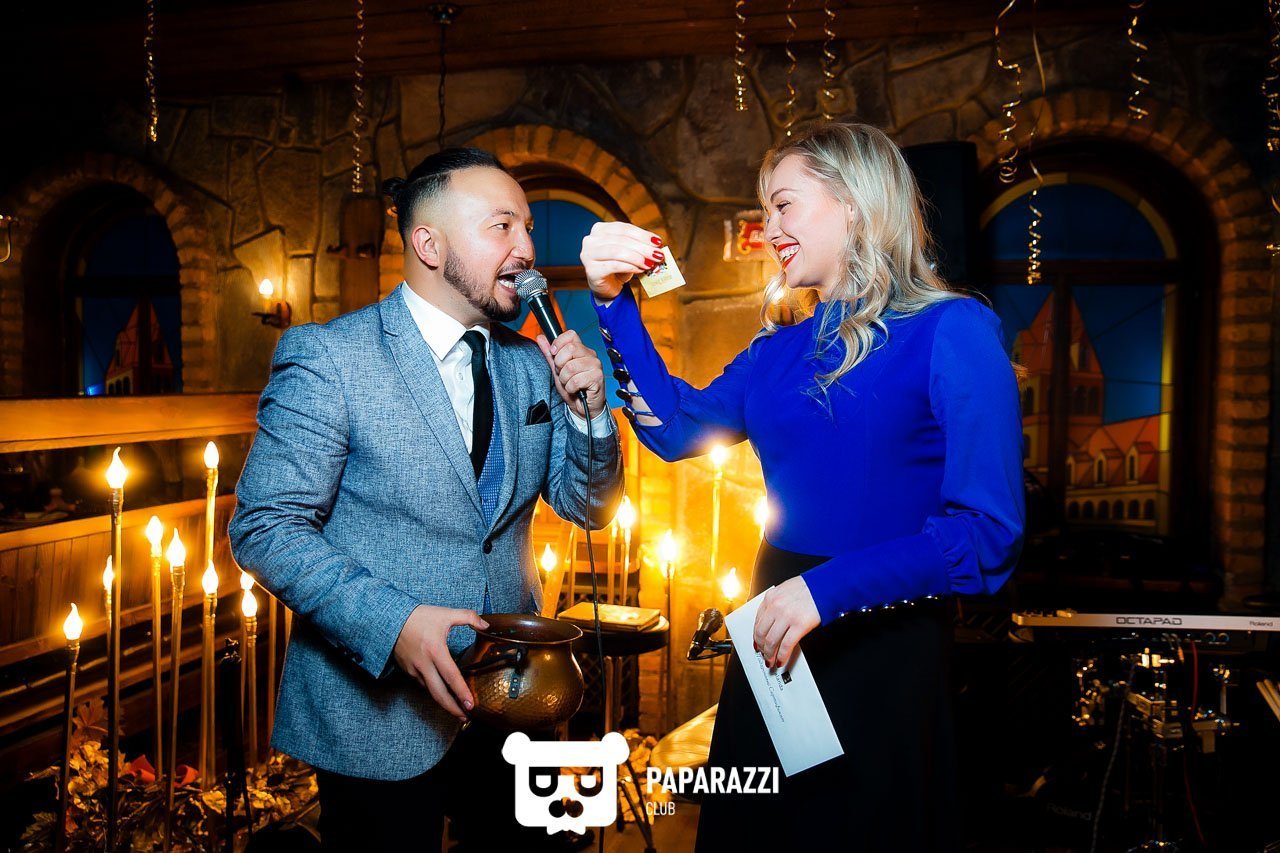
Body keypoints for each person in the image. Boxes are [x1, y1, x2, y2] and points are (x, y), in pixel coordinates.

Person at [579, 122, 1024, 851]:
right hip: (774, 642)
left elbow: (988, 536)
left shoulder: (954, 330)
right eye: (766, 210)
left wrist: (824, 591)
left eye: (784, 204)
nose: (771, 228)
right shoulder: (779, 350)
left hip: (881, 643)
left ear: (853, 200)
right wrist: (612, 300)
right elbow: (676, 427)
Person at [228, 147, 623, 851]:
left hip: (512, 701)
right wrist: (396, 624)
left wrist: (591, 414)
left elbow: (588, 507)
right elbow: (265, 527)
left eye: (528, 227)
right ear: (429, 244)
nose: (527, 248)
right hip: (375, 715)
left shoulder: (531, 363)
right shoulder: (330, 357)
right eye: (502, 226)